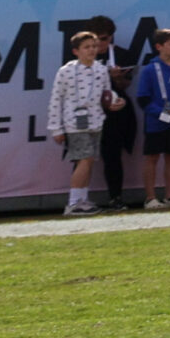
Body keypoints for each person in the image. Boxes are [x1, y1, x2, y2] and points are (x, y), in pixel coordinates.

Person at [46, 28, 120, 217]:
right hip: (74, 122)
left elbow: (107, 93)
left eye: (94, 46)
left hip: (96, 121)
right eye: (86, 47)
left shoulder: (101, 70)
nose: (92, 50)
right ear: (76, 51)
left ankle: (82, 199)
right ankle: (73, 202)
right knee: (84, 159)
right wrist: (56, 128)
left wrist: (116, 100)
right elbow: (56, 99)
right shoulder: (66, 71)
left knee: (88, 160)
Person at [134, 27, 170, 209]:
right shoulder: (150, 70)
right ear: (159, 46)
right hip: (156, 122)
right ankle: (150, 197)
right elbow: (142, 98)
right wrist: (160, 113)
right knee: (152, 157)